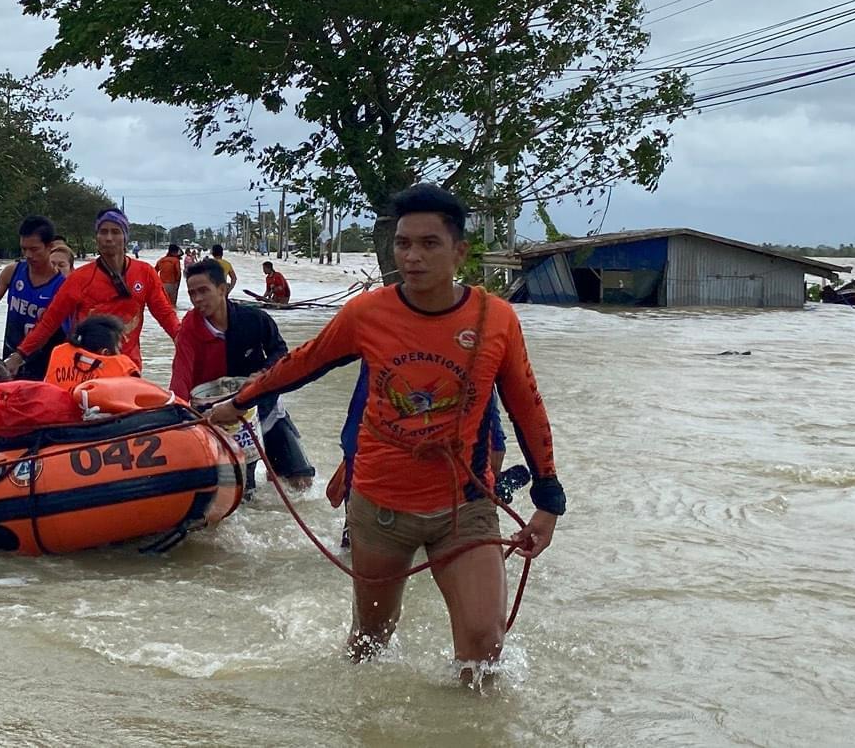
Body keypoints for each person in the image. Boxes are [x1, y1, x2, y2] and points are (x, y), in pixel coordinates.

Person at [205, 184, 563, 676]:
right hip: (379, 505)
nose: (412, 257)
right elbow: (303, 364)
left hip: (466, 503)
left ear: (460, 251)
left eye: (429, 244)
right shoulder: (366, 313)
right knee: (370, 641)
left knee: (484, 645)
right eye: (403, 243)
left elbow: (527, 406)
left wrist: (549, 498)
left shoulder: (494, 318)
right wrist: (238, 401)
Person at [171, 259, 314, 492]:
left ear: (223, 289)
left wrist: (264, 372)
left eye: (203, 291)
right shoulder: (189, 329)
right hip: (219, 416)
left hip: (264, 405)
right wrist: (177, 414)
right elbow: (181, 376)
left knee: (301, 483)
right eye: (192, 293)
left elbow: (280, 351)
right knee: (241, 493)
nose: (197, 299)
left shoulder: (254, 319)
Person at [7, 208, 178, 375]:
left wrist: (183, 341)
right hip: (86, 370)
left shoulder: (145, 273)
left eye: (115, 232)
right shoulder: (80, 278)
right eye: (103, 232)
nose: (109, 238)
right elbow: (49, 321)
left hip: (128, 370)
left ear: (125, 237)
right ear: (96, 237)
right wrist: (19, 355)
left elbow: (165, 314)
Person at [0, 215, 65, 381]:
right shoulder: (12, 272)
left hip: (45, 365)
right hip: (10, 361)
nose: (28, 255)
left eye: (34, 249)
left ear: (50, 247)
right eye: (24, 249)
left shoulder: (62, 286)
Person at [43, 314, 140, 387]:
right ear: (105, 352)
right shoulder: (123, 368)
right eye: (119, 349)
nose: (120, 353)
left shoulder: (59, 353)